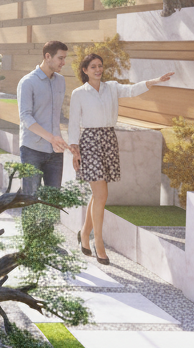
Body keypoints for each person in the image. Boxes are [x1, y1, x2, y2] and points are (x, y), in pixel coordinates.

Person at [69, 54, 173, 265]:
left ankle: (83, 234)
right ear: (85, 70)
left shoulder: (112, 87)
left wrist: (155, 81)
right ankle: (99, 242)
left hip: (108, 139)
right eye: (93, 66)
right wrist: (75, 150)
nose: (98, 69)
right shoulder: (78, 93)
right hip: (89, 142)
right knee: (101, 194)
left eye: (100, 66)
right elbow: (73, 123)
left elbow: (133, 89)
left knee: (97, 194)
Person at [16, 41, 70, 199]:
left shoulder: (61, 81)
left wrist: (64, 141)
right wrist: (51, 138)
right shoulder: (27, 82)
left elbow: (57, 114)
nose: (64, 62)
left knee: (53, 200)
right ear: (48, 56)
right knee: (30, 199)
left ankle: (49, 226)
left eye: (64, 58)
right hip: (32, 149)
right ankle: (30, 225)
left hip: (55, 152)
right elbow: (25, 116)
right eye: (60, 58)